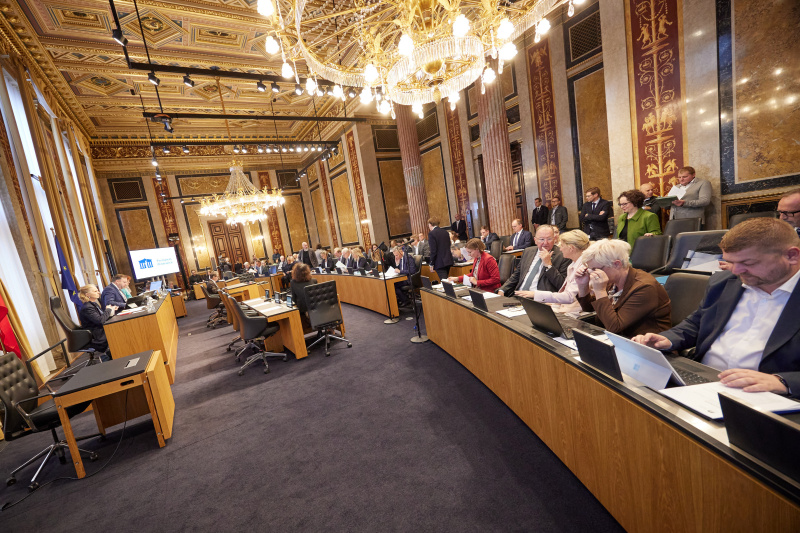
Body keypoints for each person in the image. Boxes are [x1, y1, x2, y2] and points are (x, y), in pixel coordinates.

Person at [633, 218, 800, 396]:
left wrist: (784, 381)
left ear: (791, 256)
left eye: (748, 263)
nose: (736, 271)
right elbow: (697, 322)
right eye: (730, 261)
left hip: (765, 396)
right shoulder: (723, 282)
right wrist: (669, 339)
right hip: (703, 381)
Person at [575, 239, 671, 337]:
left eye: (596, 269)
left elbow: (614, 327)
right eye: (590, 269)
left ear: (617, 264)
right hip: (619, 340)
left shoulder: (645, 287)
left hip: (646, 346)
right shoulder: (611, 280)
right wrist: (582, 285)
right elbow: (589, 308)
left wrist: (600, 290)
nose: (592, 273)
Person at [524, 230, 590, 313]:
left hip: (574, 313)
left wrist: (535, 294)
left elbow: (570, 297)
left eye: (562, 245)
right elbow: (565, 292)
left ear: (571, 248)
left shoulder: (584, 267)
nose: (560, 249)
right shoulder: (573, 264)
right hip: (562, 307)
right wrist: (552, 304)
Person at [498, 225, 571, 297]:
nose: (545, 243)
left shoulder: (563, 255)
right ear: (535, 240)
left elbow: (562, 285)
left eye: (549, 239)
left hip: (540, 300)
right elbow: (517, 274)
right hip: (519, 295)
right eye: (542, 239)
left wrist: (549, 266)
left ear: (554, 239)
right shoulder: (528, 251)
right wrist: (502, 290)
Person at [78, 284, 116, 361]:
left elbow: (102, 318)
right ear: (87, 294)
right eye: (95, 291)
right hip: (97, 337)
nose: (98, 292)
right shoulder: (87, 307)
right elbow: (100, 321)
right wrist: (108, 310)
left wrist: (111, 310)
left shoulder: (93, 304)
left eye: (97, 290)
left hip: (100, 332)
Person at [289, 263, 318, 328]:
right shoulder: (314, 281)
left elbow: (293, 300)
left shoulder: (293, 283)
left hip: (303, 311)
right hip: (317, 308)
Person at [428, 217, 454, 281]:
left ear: (430, 224)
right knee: (445, 281)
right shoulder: (445, 232)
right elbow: (448, 245)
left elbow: (433, 250)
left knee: (445, 282)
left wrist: (431, 263)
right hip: (448, 260)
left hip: (439, 262)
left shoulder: (431, 234)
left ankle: (448, 291)